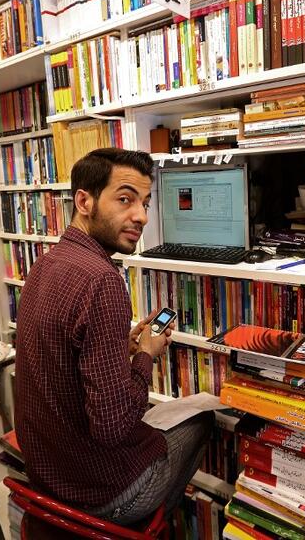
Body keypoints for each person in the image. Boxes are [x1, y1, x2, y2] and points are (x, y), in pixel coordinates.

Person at [15, 148, 214, 531]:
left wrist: (119, 346)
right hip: (101, 492)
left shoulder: (47, 263)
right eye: (125, 199)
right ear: (84, 201)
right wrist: (146, 356)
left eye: (145, 202)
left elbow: (59, 354)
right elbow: (113, 426)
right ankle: (141, 528)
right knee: (203, 419)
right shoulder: (102, 280)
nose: (140, 215)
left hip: (46, 476)